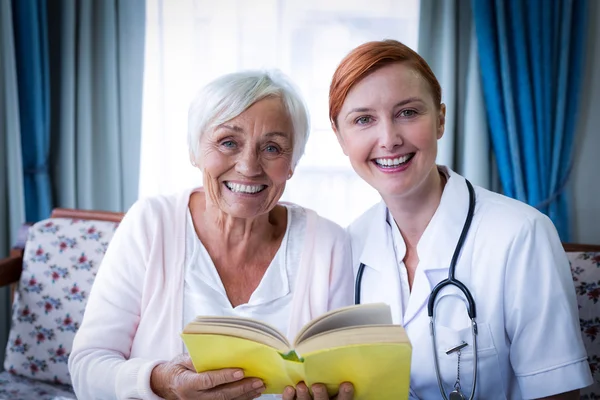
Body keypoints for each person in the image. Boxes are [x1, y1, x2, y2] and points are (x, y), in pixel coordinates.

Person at [328, 39, 593, 399]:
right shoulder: (346, 245)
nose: (388, 139)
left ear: (440, 119)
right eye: (363, 120)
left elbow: (557, 395)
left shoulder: (521, 235)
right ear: (340, 137)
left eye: (408, 112)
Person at [68, 70, 355, 400]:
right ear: (195, 151)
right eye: (228, 142)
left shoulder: (329, 245)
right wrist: (161, 382)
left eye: (273, 148)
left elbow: (343, 380)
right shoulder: (151, 224)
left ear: (292, 163)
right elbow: (87, 367)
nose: (249, 166)